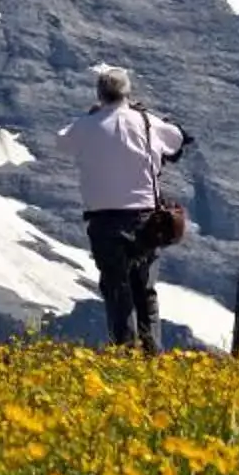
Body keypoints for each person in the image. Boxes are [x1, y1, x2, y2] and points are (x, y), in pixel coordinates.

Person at [56, 65, 189, 355]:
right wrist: (148, 115)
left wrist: (90, 116)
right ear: (127, 93)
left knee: (116, 288)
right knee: (145, 289)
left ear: (99, 94)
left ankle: (125, 352)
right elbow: (178, 139)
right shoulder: (146, 122)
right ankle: (152, 353)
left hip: (103, 221)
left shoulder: (86, 126)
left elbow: (61, 141)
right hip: (144, 218)